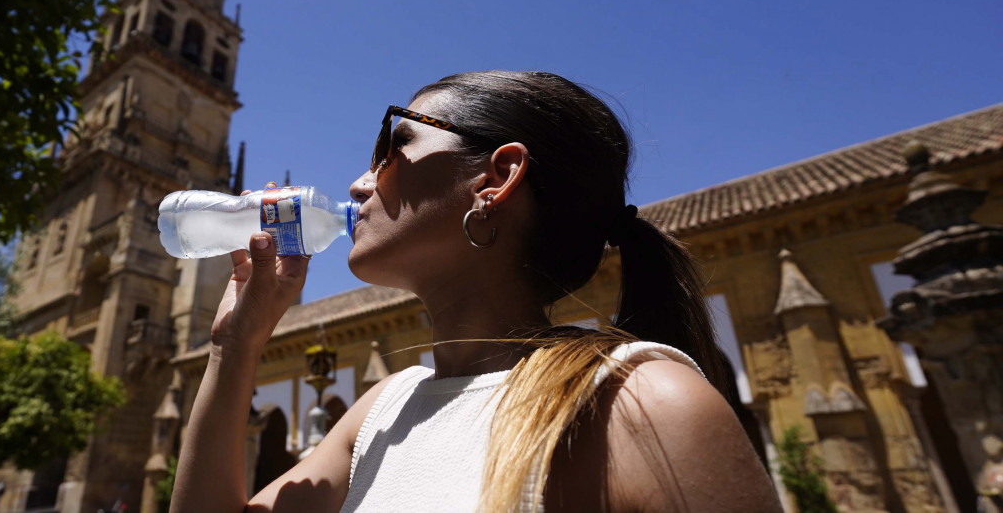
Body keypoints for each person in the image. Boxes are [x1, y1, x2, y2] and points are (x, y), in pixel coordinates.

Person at [170, 71, 782, 512]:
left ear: (496, 178)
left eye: (393, 147)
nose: (358, 184)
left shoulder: (643, 404)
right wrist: (234, 346)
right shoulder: (381, 410)